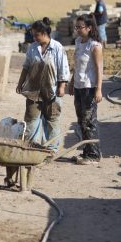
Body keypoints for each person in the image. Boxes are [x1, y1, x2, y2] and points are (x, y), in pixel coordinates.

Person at [16, 17, 70, 150]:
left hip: (52, 90)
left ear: (44, 33)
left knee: (51, 121)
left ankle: (51, 149)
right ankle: (31, 147)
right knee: (31, 120)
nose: (34, 38)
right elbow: (26, 67)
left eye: (36, 35)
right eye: (33, 35)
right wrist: (20, 83)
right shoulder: (33, 48)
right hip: (33, 91)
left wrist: (62, 87)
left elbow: (63, 68)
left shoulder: (57, 48)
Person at [68, 14, 103, 165]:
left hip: (90, 87)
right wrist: (71, 82)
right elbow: (77, 65)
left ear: (89, 28)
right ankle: (86, 151)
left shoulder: (94, 46)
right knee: (81, 120)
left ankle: (94, 154)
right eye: (76, 27)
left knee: (90, 121)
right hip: (78, 86)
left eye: (80, 27)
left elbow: (99, 68)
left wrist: (99, 89)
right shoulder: (78, 42)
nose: (77, 30)